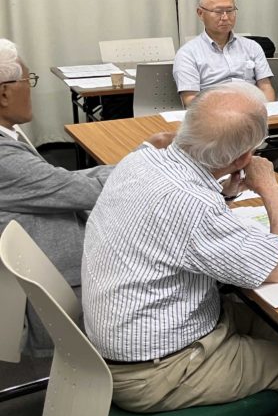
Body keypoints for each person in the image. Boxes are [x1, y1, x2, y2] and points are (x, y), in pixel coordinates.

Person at [81, 83, 278, 416]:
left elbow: (178, 223)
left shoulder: (141, 159)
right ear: (243, 158)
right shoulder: (194, 206)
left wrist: (223, 193)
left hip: (133, 336)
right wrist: (270, 186)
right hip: (156, 371)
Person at [0, 39, 164, 355]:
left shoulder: (9, 138)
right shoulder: (4, 157)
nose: (30, 88)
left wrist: (137, 157)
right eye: (28, 80)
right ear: (5, 93)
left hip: (55, 260)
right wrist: (144, 157)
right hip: (67, 285)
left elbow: (57, 183)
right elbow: (76, 190)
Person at [173, 0, 275, 107]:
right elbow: (190, 99)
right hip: (213, 112)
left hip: (253, 110)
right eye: (218, 11)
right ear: (200, 13)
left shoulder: (252, 47)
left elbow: (265, 87)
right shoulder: (187, 54)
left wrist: (268, 112)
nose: (225, 17)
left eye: (230, 10)